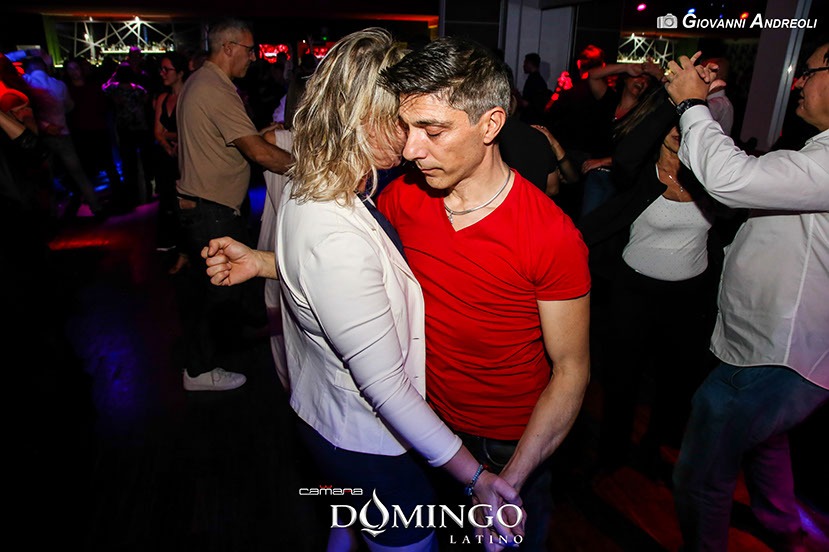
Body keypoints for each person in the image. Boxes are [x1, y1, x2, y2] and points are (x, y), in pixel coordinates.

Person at [201, 28, 522, 551]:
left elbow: (328, 285)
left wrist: (264, 263)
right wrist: (476, 478)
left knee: (346, 526)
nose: (412, 141)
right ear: (361, 117)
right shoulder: (336, 230)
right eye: (401, 121)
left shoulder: (316, 182)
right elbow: (387, 388)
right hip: (369, 444)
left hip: (323, 420)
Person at [378, 37, 591, 550]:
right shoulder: (402, 196)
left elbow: (571, 370)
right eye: (407, 128)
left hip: (508, 443)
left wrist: (508, 482)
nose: (411, 149)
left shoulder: (550, 235)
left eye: (433, 131)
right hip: (426, 426)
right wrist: (266, 262)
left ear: (491, 124)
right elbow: (357, 269)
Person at [663, 45, 829, 551]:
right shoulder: (816, 152)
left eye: (809, 71)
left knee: (700, 478)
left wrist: (692, 105)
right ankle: (783, 528)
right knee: (766, 443)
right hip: (774, 347)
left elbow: (731, 180)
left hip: (778, 355)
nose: (798, 82)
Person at [578, 87, 730, 479]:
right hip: (634, 292)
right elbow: (626, 156)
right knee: (622, 378)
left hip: (688, 297)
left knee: (675, 382)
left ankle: (654, 448)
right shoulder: (639, 175)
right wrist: (673, 101)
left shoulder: (709, 180)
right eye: (672, 124)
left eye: (686, 124)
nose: (679, 131)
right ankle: (612, 452)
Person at [175, 18, 291, 391]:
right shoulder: (215, 88)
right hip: (212, 210)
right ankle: (198, 371)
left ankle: (216, 351)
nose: (254, 57)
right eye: (249, 49)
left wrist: (261, 133)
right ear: (229, 47)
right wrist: (313, 169)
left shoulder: (202, 81)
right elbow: (259, 154)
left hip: (206, 206)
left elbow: (226, 139)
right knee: (218, 292)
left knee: (217, 289)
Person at [22, 55, 105, 219]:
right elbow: (69, 106)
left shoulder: (28, 82)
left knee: (47, 178)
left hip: (41, 137)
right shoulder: (59, 84)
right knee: (78, 173)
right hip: (62, 133)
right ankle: (96, 206)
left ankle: (52, 216)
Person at [153, 52, 189, 273]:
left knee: (184, 206)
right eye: (162, 69)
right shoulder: (162, 98)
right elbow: (157, 132)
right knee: (169, 205)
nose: (163, 73)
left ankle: (187, 252)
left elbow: (189, 132)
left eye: (167, 69)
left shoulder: (189, 96)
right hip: (168, 159)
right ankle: (177, 249)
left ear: (181, 72)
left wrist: (170, 136)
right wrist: (169, 147)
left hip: (186, 159)